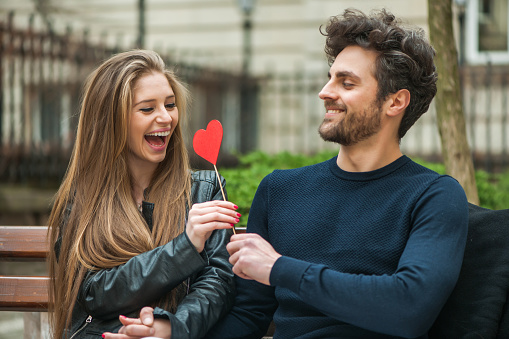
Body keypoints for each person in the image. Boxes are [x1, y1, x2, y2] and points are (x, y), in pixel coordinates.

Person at [116, 8, 469, 339]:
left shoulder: (434, 196)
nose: (325, 92)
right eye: (330, 78)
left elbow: (409, 308)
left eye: (346, 83)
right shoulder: (281, 190)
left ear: (396, 102)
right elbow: (248, 316)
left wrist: (280, 268)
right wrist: (170, 332)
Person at [47, 50, 240, 339]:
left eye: (170, 105)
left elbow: (217, 284)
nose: (166, 118)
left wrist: (169, 328)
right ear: (112, 121)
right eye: (147, 109)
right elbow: (94, 293)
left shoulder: (205, 190)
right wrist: (185, 247)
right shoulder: (83, 201)